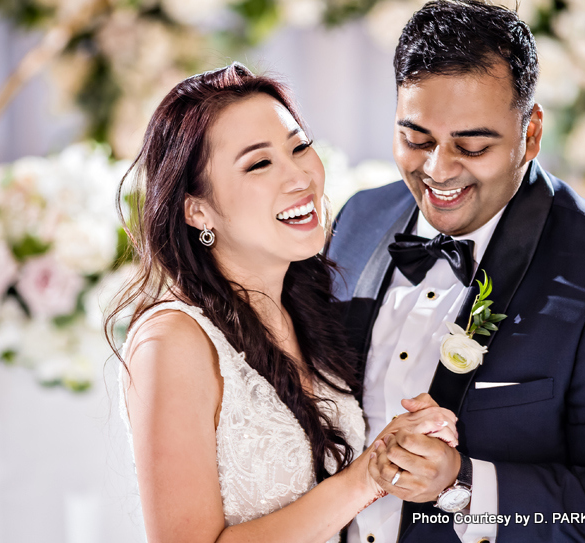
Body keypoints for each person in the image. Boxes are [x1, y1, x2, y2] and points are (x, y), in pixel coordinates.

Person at [328, 1, 585, 542]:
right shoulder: (359, 219)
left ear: (530, 135)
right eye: (416, 139)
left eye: (473, 145)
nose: (437, 170)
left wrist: (464, 488)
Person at [106, 63, 458, 543]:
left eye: (299, 147)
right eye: (258, 163)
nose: (299, 177)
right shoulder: (172, 341)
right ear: (197, 208)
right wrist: (366, 478)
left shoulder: (307, 308)